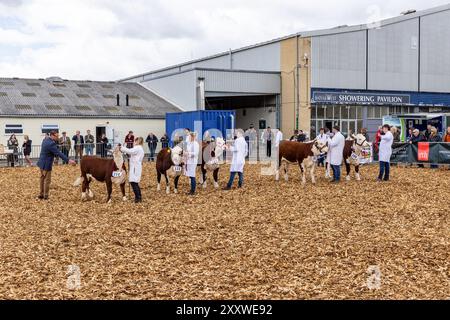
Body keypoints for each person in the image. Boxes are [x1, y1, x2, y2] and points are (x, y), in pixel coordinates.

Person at [37, 131, 76, 200]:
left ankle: (41, 194)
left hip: (41, 162)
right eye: (56, 136)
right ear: (52, 135)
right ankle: (45, 195)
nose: (57, 137)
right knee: (47, 180)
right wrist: (68, 160)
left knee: (42, 178)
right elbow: (58, 153)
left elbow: (51, 151)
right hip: (46, 164)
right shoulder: (51, 143)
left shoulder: (45, 140)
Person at [120, 137, 145, 203]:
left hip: (135, 167)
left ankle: (138, 198)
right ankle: (138, 197)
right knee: (135, 182)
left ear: (138, 141)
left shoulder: (137, 148)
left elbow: (130, 151)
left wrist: (122, 148)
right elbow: (132, 154)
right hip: (136, 166)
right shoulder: (140, 148)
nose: (134, 142)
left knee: (133, 182)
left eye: (135, 141)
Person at [184, 132, 200, 196]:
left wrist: (188, 154)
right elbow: (187, 150)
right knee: (190, 176)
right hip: (189, 161)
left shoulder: (196, 144)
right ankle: (191, 190)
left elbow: (196, 153)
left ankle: (193, 191)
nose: (189, 138)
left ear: (193, 137)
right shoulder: (189, 144)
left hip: (193, 162)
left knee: (192, 175)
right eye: (189, 137)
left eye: (190, 137)